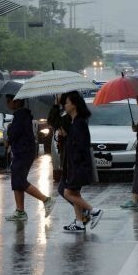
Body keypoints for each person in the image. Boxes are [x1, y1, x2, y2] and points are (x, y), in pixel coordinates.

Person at [4, 95, 55, 221]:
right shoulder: (21, 115)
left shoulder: (21, 116)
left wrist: (9, 135)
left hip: (23, 152)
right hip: (22, 151)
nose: (7, 104)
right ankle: (20, 211)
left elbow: (15, 134)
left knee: (20, 181)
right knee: (16, 180)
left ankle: (46, 200)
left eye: (8, 101)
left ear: (15, 102)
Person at [59, 91, 103, 232]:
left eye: (66, 103)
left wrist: (76, 165)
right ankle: (79, 222)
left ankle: (94, 211)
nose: (64, 105)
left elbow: (80, 147)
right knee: (75, 194)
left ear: (74, 105)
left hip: (77, 166)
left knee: (67, 193)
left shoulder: (79, 123)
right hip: (74, 165)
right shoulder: (74, 122)